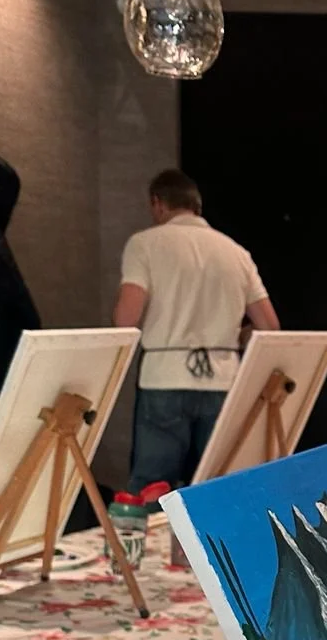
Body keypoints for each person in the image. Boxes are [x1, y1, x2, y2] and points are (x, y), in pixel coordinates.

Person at [114, 168, 279, 486]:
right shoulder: (236, 252)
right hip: (222, 379)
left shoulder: (144, 244)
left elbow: (126, 318)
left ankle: (153, 536)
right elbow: (269, 327)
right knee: (222, 482)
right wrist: (234, 334)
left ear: (158, 204)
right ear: (196, 206)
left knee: (154, 484)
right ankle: (219, 537)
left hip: (164, 376)